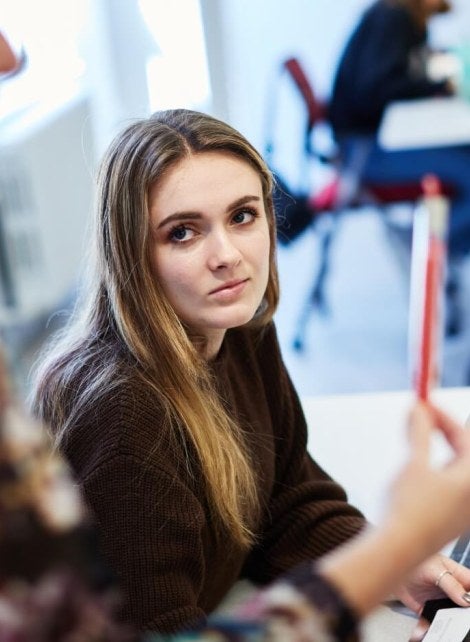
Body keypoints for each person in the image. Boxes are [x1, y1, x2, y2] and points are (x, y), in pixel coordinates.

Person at [29, 108, 470, 636]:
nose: (228, 256)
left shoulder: (241, 329)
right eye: (183, 233)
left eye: (243, 216)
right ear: (131, 255)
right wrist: (387, 554)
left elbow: (287, 501)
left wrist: (393, 564)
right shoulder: (124, 418)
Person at [328, 0, 470, 335]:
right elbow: (374, 89)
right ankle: (438, 249)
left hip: (368, 141)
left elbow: (393, 74)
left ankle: (441, 248)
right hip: (363, 153)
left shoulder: (402, 19)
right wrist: (439, 86)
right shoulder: (393, 18)